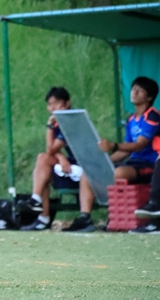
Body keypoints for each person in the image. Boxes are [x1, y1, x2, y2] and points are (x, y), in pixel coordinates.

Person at [66, 76, 160, 232]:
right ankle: (84, 217)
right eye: (133, 89)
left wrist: (113, 146)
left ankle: (116, 216)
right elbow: (125, 150)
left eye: (140, 90)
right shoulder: (131, 119)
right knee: (88, 172)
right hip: (132, 163)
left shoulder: (153, 116)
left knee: (119, 172)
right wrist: (104, 161)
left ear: (149, 97)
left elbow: (139, 145)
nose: (134, 92)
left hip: (149, 165)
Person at [18, 87, 80, 230]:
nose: (52, 107)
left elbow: (50, 149)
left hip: (84, 166)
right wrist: (62, 158)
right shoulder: (59, 122)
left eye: (56, 103)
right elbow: (52, 150)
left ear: (67, 104)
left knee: (43, 160)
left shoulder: (71, 121)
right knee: (43, 166)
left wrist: (50, 126)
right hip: (71, 164)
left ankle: (38, 204)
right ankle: (42, 215)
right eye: (49, 104)